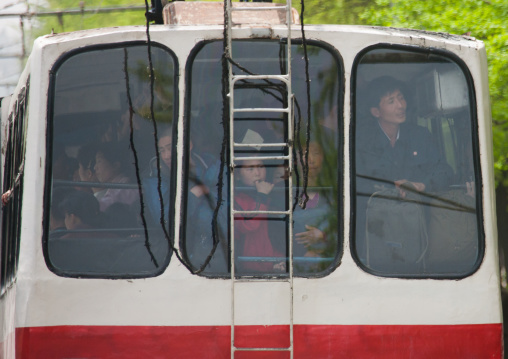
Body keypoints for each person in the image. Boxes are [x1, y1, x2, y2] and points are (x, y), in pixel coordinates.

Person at [355, 76, 453, 270]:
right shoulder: (360, 141)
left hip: (418, 229)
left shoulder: (420, 136)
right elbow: (353, 182)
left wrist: (421, 185)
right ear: (376, 111)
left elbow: (446, 172)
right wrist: (391, 187)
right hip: (374, 230)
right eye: (391, 101)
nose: (401, 105)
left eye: (401, 98)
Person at [234, 158, 284, 273]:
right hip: (250, 266)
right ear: (237, 175)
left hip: (276, 262)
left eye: (261, 167)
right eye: (250, 169)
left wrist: (280, 258)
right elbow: (249, 225)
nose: (257, 173)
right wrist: (262, 196)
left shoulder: (274, 194)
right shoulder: (236, 199)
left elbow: (277, 232)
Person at [94, 141, 138, 212]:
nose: (95, 167)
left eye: (99, 161)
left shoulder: (125, 188)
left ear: (116, 165)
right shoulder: (114, 188)